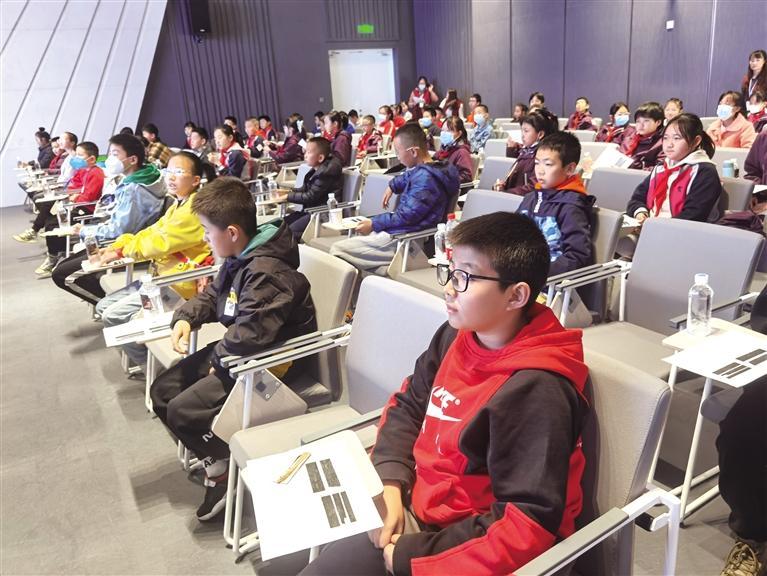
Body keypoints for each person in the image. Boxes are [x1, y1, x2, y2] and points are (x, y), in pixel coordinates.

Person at [300, 211, 590, 576]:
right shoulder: (457, 334)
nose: (450, 289)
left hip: (459, 541)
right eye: (451, 272)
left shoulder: (536, 389)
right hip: (416, 501)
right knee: (292, 548)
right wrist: (390, 479)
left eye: (465, 277)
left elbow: (526, 524)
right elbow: (409, 405)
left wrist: (412, 557)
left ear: (516, 295)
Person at [150, 177, 316, 522]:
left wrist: (221, 358)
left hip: (272, 363)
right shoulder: (240, 257)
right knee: (161, 392)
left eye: (207, 232)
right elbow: (216, 296)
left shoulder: (267, 272)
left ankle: (231, 470)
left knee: (182, 411)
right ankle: (218, 460)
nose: (204, 239)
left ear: (232, 232)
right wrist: (186, 317)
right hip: (241, 351)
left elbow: (253, 333)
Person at [95, 151, 212, 365]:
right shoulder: (179, 204)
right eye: (169, 171)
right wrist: (119, 245)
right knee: (103, 307)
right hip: (161, 277)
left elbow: (157, 243)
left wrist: (121, 251)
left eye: (179, 172)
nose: (171, 177)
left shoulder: (194, 210)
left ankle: (150, 366)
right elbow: (152, 232)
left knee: (111, 316)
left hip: (177, 285)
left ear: (196, 180)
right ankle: (144, 360)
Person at [50, 134, 167, 304]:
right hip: (119, 239)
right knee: (63, 266)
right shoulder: (145, 176)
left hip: (123, 245)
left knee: (61, 275)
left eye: (115, 154)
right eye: (110, 153)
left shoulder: (134, 189)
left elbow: (119, 230)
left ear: (133, 159)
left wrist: (85, 230)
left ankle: (109, 306)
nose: (110, 159)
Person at [330, 123, 458, 275]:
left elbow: (406, 216)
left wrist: (374, 223)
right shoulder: (431, 170)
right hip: (402, 233)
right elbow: (409, 176)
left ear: (413, 152)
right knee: (362, 257)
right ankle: (388, 272)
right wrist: (392, 186)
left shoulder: (425, 179)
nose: (397, 156)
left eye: (398, 152)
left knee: (337, 250)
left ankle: (392, 270)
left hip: (406, 239)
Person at [19, 141, 105, 276]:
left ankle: (52, 257)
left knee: (52, 224)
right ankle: (52, 248)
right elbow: (73, 186)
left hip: (86, 209)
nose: (76, 158)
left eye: (80, 155)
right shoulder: (83, 170)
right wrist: (73, 196)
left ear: (92, 159)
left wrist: (76, 197)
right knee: (49, 215)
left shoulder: (96, 173)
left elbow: (88, 197)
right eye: (76, 154)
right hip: (75, 204)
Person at [518, 131, 594, 275]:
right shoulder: (531, 198)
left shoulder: (570, 206)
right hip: (521, 271)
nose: (540, 171)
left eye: (548, 164)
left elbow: (577, 256)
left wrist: (537, 274)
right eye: (537, 163)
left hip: (548, 280)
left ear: (569, 169)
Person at [627, 113, 722, 225]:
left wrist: (656, 226)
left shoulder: (704, 172)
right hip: (651, 225)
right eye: (666, 138)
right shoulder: (661, 168)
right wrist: (640, 213)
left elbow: (694, 216)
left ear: (696, 141)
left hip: (680, 231)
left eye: (677, 138)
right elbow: (637, 198)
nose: (669, 144)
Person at [279, 137, 343, 239]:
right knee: (279, 225)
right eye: (305, 151)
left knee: (286, 233)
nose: (305, 155)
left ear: (320, 158)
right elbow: (305, 189)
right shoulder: (316, 170)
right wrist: (288, 192)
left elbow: (310, 196)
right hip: (311, 211)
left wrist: (288, 196)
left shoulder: (326, 173)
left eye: (309, 152)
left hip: (322, 214)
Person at [496, 109, 558, 196]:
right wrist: (503, 186)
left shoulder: (542, 156)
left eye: (526, 131)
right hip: (513, 197)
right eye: (522, 131)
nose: (522, 135)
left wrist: (506, 193)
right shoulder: (526, 150)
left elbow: (533, 187)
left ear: (540, 134)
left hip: (525, 200)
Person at [620, 101, 666, 170]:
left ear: (658, 122)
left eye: (646, 121)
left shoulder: (663, 143)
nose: (641, 125)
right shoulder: (629, 138)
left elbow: (660, 169)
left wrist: (638, 166)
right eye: (638, 121)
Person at [434, 116, 474, 184]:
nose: (444, 133)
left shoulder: (462, 152)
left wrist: (444, 180)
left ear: (459, 133)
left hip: (450, 188)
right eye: (443, 130)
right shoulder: (443, 149)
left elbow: (466, 176)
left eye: (449, 131)